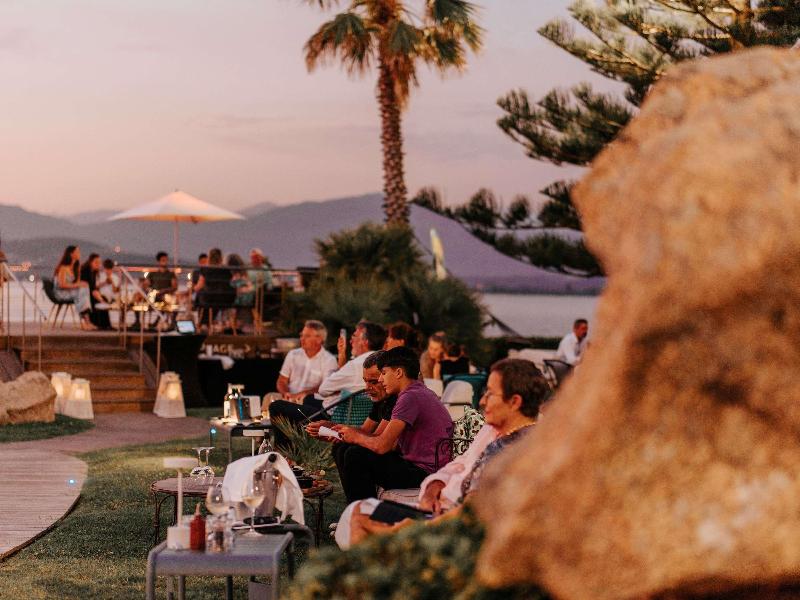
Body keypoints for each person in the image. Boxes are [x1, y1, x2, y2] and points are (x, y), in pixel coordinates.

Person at [337, 358, 548, 549]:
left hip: (451, 526)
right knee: (359, 510)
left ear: (514, 402)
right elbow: (459, 463)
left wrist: (417, 526)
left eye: (490, 393)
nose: (482, 401)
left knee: (361, 519)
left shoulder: (521, 449)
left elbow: (477, 509)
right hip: (435, 508)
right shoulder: (491, 429)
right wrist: (433, 487)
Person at [332, 346, 453, 503]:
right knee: (349, 450)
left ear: (398, 373)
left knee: (355, 455)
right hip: (420, 465)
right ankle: (357, 508)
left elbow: (383, 445)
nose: (381, 379)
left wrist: (355, 437)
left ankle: (365, 511)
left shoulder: (410, 397)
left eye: (383, 373)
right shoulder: (416, 392)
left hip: (425, 472)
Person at [268, 321, 386, 444]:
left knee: (276, 406)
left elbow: (323, 389)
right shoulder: (382, 362)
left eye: (354, 336)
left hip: (334, 418)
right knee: (309, 399)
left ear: (365, 342)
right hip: (357, 416)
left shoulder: (355, 364)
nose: (351, 341)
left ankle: (283, 450)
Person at [306, 351, 398, 493]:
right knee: (341, 447)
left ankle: (364, 503)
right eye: (365, 381)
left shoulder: (395, 399)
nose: (367, 387)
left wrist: (342, 432)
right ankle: (353, 501)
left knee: (354, 453)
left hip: (402, 460)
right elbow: (365, 430)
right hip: (386, 451)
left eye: (373, 382)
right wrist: (333, 429)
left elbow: (378, 439)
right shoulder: (381, 399)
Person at [276, 320, 338, 402]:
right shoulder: (293, 354)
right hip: (289, 397)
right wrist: (285, 393)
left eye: (307, 336)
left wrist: (303, 394)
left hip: (310, 401)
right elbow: (282, 380)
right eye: (302, 335)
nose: (302, 339)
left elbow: (326, 387)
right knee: (269, 397)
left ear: (319, 339)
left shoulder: (329, 360)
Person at [54, 245, 95, 330]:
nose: (79, 253)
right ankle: (86, 322)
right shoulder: (63, 268)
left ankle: (86, 321)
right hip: (61, 293)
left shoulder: (77, 267)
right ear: (71, 254)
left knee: (84, 288)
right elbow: (62, 285)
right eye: (77, 252)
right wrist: (78, 285)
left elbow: (77, 283)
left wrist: (81, 284)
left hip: (71, 292)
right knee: (82, 291)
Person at [194, 248, 235, 329]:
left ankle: (202, 323)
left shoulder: (205, 269)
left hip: (210, 299)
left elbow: (199, 286)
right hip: (226, 299)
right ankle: (207, 323)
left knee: (200, 295)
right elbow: (232, 283)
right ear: (221, 257)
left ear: (209, 257)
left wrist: (194, 288)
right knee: (212, 296)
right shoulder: (227, 269)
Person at [79, 253, 111, 330]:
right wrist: (98, 296)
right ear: (90, 262)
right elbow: (87, 287)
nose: (98, 264)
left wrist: (103, 285)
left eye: (99, 262)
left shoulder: (93, 272)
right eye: (96, 262)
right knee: (98, 300)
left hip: (90, 292)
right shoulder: (85, 271)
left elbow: (93, 287)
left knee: (104, 298)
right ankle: (97, 323)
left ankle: (105, 324)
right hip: (83, 294)